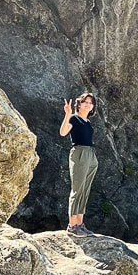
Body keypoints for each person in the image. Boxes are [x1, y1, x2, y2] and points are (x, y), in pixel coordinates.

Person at [59, 92, 98, 236]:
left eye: (90, 103)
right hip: (79, 153)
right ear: (79, 104)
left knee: (84, 190)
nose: (88, 104)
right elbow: (63, 132)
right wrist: (67, 114)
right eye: (85, 102)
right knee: (77, 189)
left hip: (90, 155)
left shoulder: (87, 122)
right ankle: (72, 226)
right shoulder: (74, 118)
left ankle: (80, 224)